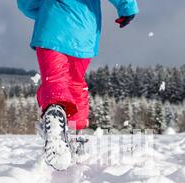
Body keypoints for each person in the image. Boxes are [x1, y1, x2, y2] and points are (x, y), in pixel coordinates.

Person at [17, 0, 139, 170]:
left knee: (54, 79)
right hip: (83, 29)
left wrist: (43, 9)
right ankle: (75, 136)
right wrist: (127, 7)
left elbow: (26, 4)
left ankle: (55, 117)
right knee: (75, 83)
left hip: (52, 26)